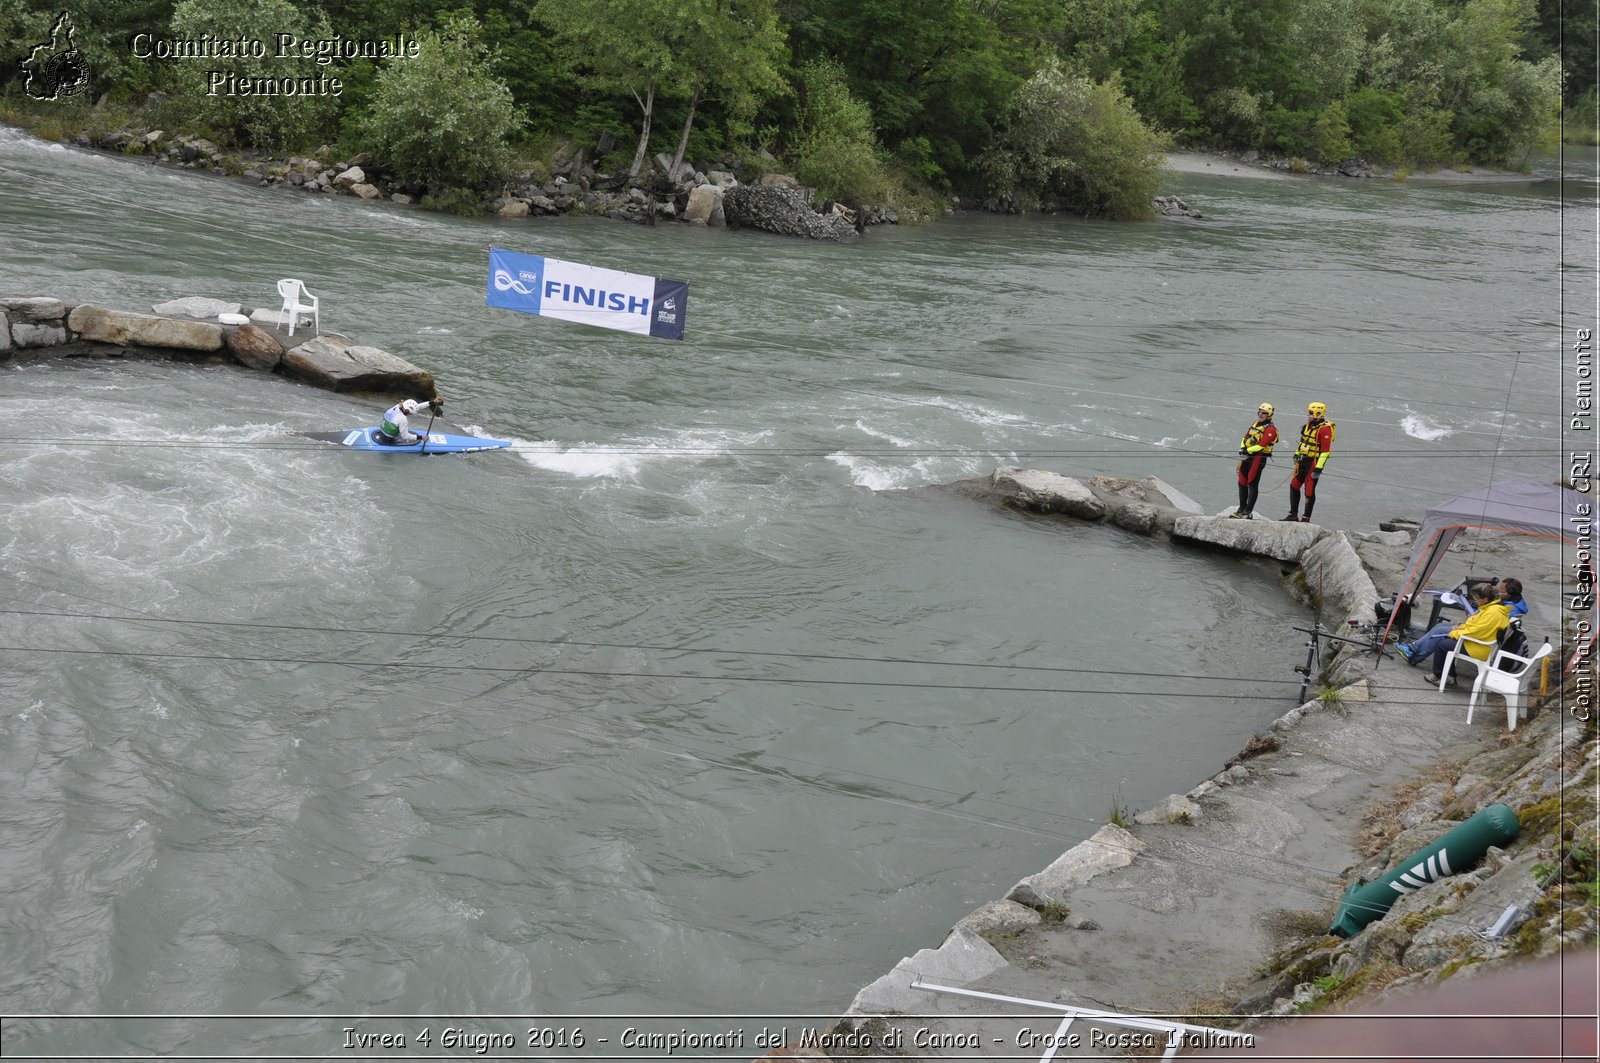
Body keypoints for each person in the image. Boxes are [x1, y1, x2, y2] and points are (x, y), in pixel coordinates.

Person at [1397, 584, 1511, 683]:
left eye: (1477, 599)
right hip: (1477, 642)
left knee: (1443, 643)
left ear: (1485, 599)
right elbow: (1477, 627)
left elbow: (1475, 631)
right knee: (1440, 628)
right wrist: (1461, 627)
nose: (1475, 602)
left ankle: (1438, 674)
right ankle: (1415, 654)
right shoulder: (1492, 609)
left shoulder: (1492, 613)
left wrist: (1454, 633)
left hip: (1478, 647)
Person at [1283, 401, 1334, 523]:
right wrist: (1297, 453)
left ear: (1318, 413)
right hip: (1303, 460)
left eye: (1311, 413)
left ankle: (1306, 518)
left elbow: (1325, 452)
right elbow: (1303, 442)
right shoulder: (1307, 426)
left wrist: (1318, 469)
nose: (1309, 415)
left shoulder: (1325, 429)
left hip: (1313, 462)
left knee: (1309, 490)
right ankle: (1293, 515)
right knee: (1294, 486)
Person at [1229, 402, 1278, 519]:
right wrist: (1242, 448)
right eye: (1260, 412)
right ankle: (1241, 509)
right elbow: (1245, 437)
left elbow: (1262, 445)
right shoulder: (1255, 424)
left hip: (1259, 458)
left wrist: (1247, 451)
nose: (1261, 414)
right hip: (1248, 456)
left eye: (1264, 413)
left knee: (1252, 483)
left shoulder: (1271, 429)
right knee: (1242, 482)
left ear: (1269, 415)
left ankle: (1248, 511)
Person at [376, 395, 444, 445]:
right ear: (407, 412)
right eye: (411, 414)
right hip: (387, 439)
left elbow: (417, 406)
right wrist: (422, 437)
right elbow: (405, 436)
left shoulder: (398, 406)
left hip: (382, 431)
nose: (410, 415)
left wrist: (433, 401)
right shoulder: (402, 419)